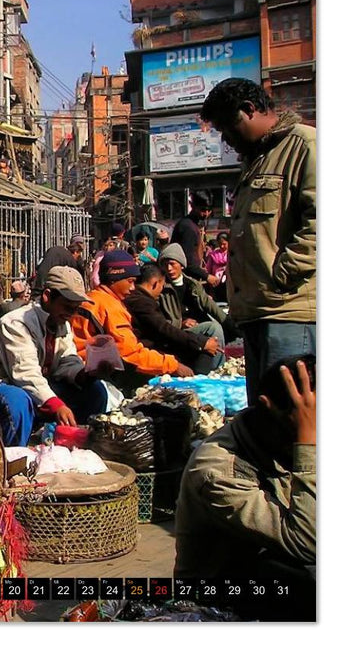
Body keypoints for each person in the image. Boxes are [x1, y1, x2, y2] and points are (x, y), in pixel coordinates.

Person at [201, 79, 316, 405]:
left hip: (290, 314)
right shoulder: (257, 161)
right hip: (257, 313)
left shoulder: (304, 146)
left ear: (249, 110)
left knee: (292, 417)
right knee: (265, 419)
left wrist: (282, 274)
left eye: (228, 127)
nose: (226, 139)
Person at [174, 356, 315, 618]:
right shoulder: (217, 469)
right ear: (269, 407)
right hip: (219, 597)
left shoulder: (282, 442)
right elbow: (307, 543)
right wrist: (309, 445)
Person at [0, 266, 109, 444]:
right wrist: (55, 404)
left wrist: (86, 375)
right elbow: (25, 373)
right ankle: (14, 459)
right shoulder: (16, 323)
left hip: (36, 385)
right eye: (67, 306)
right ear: (47, 296)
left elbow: (67, 361)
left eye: (74, 308)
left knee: (95, 391)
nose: (70, 314)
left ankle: (75, 448)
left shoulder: (62, 324)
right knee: (18, 401)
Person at [71, 251, 193, 393]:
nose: (133, 288)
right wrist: (172, 365)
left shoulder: (93, 297)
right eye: (130, 281)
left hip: (79, 368)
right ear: (113, 279)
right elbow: (130, 353)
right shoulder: (109, 306)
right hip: (94, 375)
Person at [125, 263, 223, 376]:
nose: (162, 290)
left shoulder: (142, 298)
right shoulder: (142, 302)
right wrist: (201, 343)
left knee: (209, 333)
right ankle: (204, 378)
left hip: (163, 340)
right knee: (206, 345)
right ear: (155, 283)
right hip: (154, 349)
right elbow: (163, 329)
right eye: (162, 285)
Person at [156, 243, 230, 373]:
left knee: (218, 328)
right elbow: (159, 319)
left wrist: (230, 324)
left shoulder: (193, 284)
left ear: (181, 264)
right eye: (165, 264)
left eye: (172, 264)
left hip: (198, 327)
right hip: (177, 332)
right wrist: (182, 322)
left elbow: (211, 306)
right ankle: (214, 370)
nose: (169, 268)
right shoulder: (161, 288)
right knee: (214, 328)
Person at [170, 190, 213, 283]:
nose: (206, 213)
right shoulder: (188, 227)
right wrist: (207, 276)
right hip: (185, 278)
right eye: (202, 210)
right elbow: (187, 262)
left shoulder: (194, 225)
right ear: (193, 206)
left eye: (208, 210)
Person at [203, 231, 230, 302]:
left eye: (224, 244)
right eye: (220, 244)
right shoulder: (213, 255)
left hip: (228, 284)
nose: (222, 246)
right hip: (215, 284)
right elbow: (208, 269)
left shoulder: (231, 255)